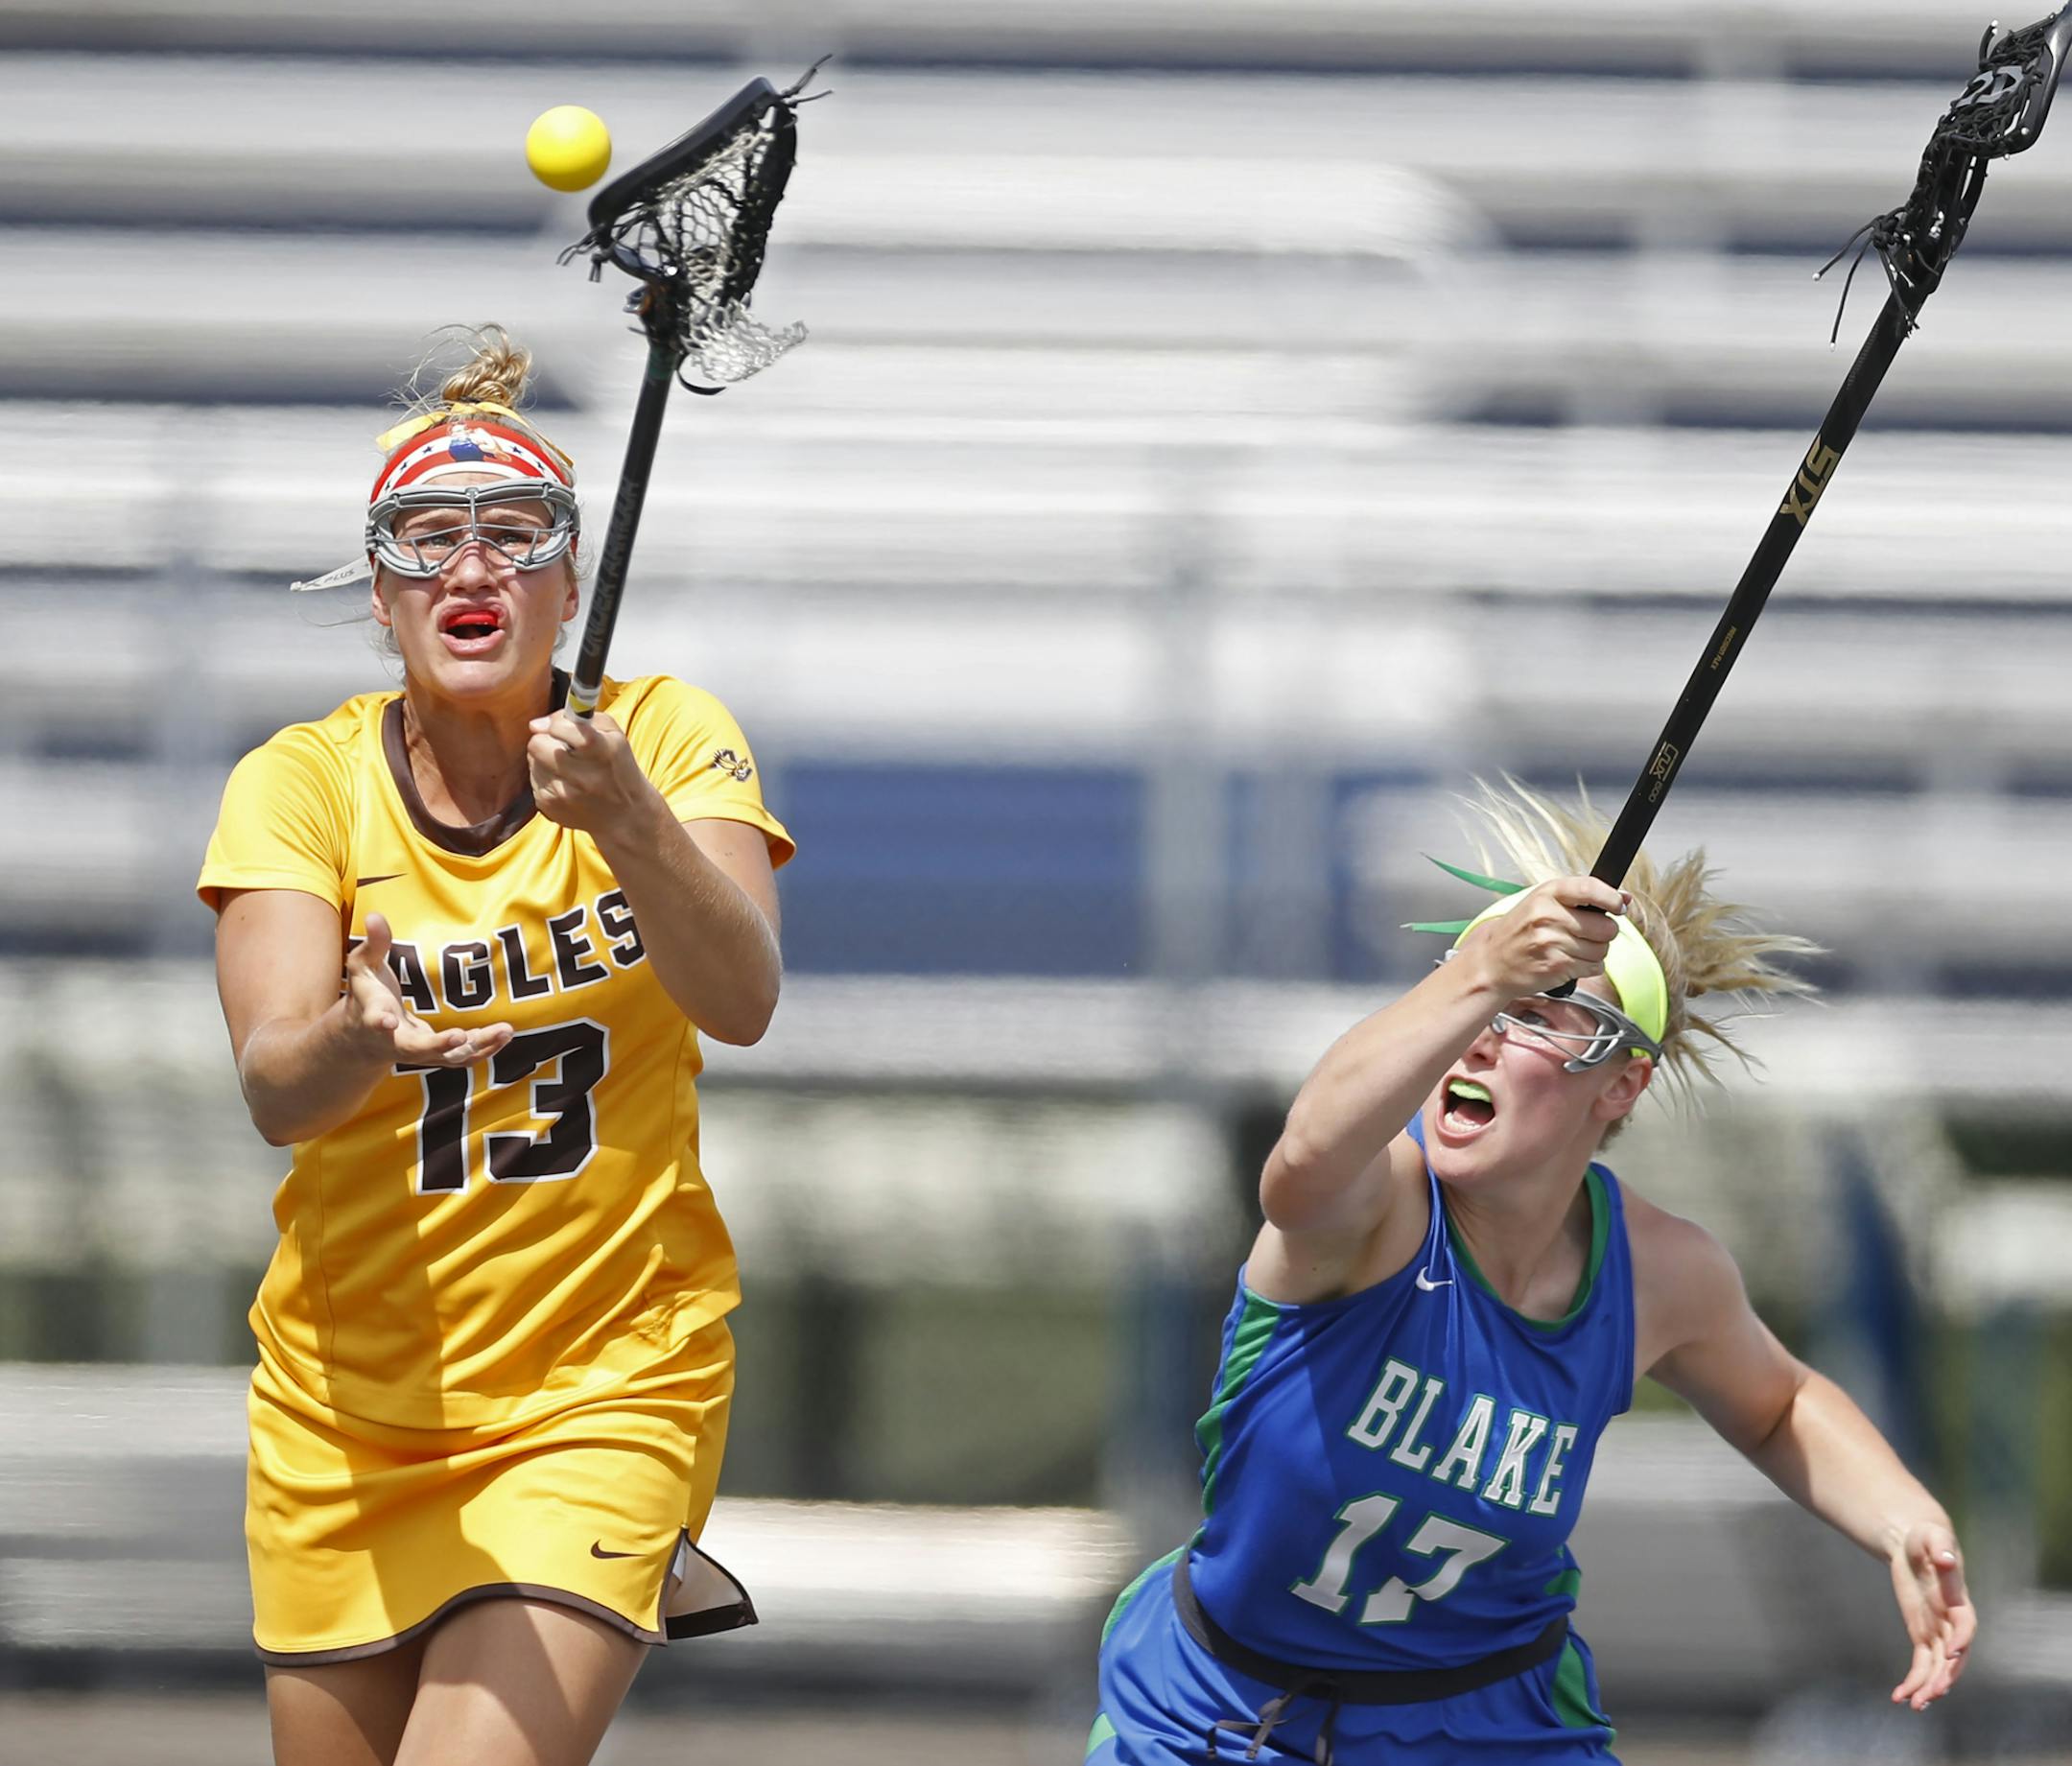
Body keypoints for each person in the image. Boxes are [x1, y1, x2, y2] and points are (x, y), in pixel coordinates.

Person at [1090, 784, 1973, 1763]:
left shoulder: (1658, 1269)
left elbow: (1778, 1403)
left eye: (1543, 1014)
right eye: (1482, 998)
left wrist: (1906, 1518)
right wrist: (1479, 972)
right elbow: (1303, 1159)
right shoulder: (1378, 1203)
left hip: (1492, 1722)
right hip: (1222, 1711)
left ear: (1623, 1082)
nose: (1485, 1034)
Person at [197, 325, 793, 1766]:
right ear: (383, 595)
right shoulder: (302, 783)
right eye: (428, 541)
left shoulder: (663, 733)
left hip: (602, 1385)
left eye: (516, 537)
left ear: (572, 583)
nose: (473, 569)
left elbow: (744, 994)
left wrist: (633, 821)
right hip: (351, 1409)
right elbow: (279, 1086)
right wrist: (356, 1032)